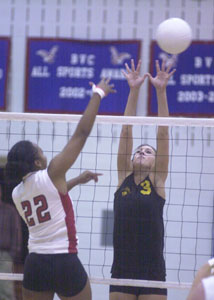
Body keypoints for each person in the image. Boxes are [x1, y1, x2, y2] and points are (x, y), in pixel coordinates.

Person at [5, 78, 116, 300]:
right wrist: (98, 94)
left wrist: (75, 180)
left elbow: (50, 197)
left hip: (35, 263)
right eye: (41, 151)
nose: (45, 154)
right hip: (64, 260)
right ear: (37, 162)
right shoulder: (53, 172)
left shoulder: (17, 193)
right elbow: (81, 134)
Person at [109, 59, 176, 300]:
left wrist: (161, 91)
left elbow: (163, 132)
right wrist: (134, 90)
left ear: (156, 162)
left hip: (152, 271)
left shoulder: (158, 179)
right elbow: (126, 130)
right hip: (122, 270)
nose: (141, 152)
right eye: (139, 150)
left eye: (148, 151)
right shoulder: (124, 177)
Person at [0, 183, 22, 300]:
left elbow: (16, 234)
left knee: (5, 290)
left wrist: (11, 256)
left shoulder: (10, 211)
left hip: (4, 256)